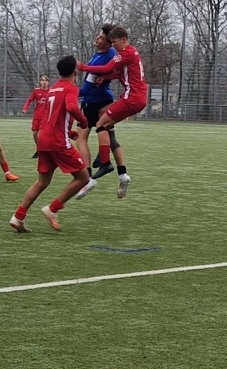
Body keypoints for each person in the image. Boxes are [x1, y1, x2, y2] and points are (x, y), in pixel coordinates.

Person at [11, 55, 92, 232]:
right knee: (83, 177)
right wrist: (83, 121)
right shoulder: (71, 87)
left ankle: (18, 217)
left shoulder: (54, 88)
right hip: (57, 141)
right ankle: (53, 208)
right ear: (75, 71)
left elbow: (53, 116)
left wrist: (68, 132)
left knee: (42, 182)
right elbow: (71, 107)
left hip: (44, 138)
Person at [77, 24, 148, 197]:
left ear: (123, 39)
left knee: (99, 126)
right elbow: (118, 72)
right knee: (108, 131)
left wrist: (82, 67)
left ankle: (104, 163)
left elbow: (107, 68)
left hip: (130, 99)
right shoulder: (129, 52)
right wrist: (106, 77)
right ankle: (122, 175)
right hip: (135, 98)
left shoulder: (124, 53)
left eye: (114, 42)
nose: (113, 45)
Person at [76, 26, 127, 192]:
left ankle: (88, 177)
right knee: (110, 137)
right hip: (105, 98)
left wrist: (70, 92)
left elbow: (87, 88)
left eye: (101, 38)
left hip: (92, 101)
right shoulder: (109, 53)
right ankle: (122, 173)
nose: (97, 39)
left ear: (108, 44)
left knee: (81, 138)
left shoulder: (103, 57)